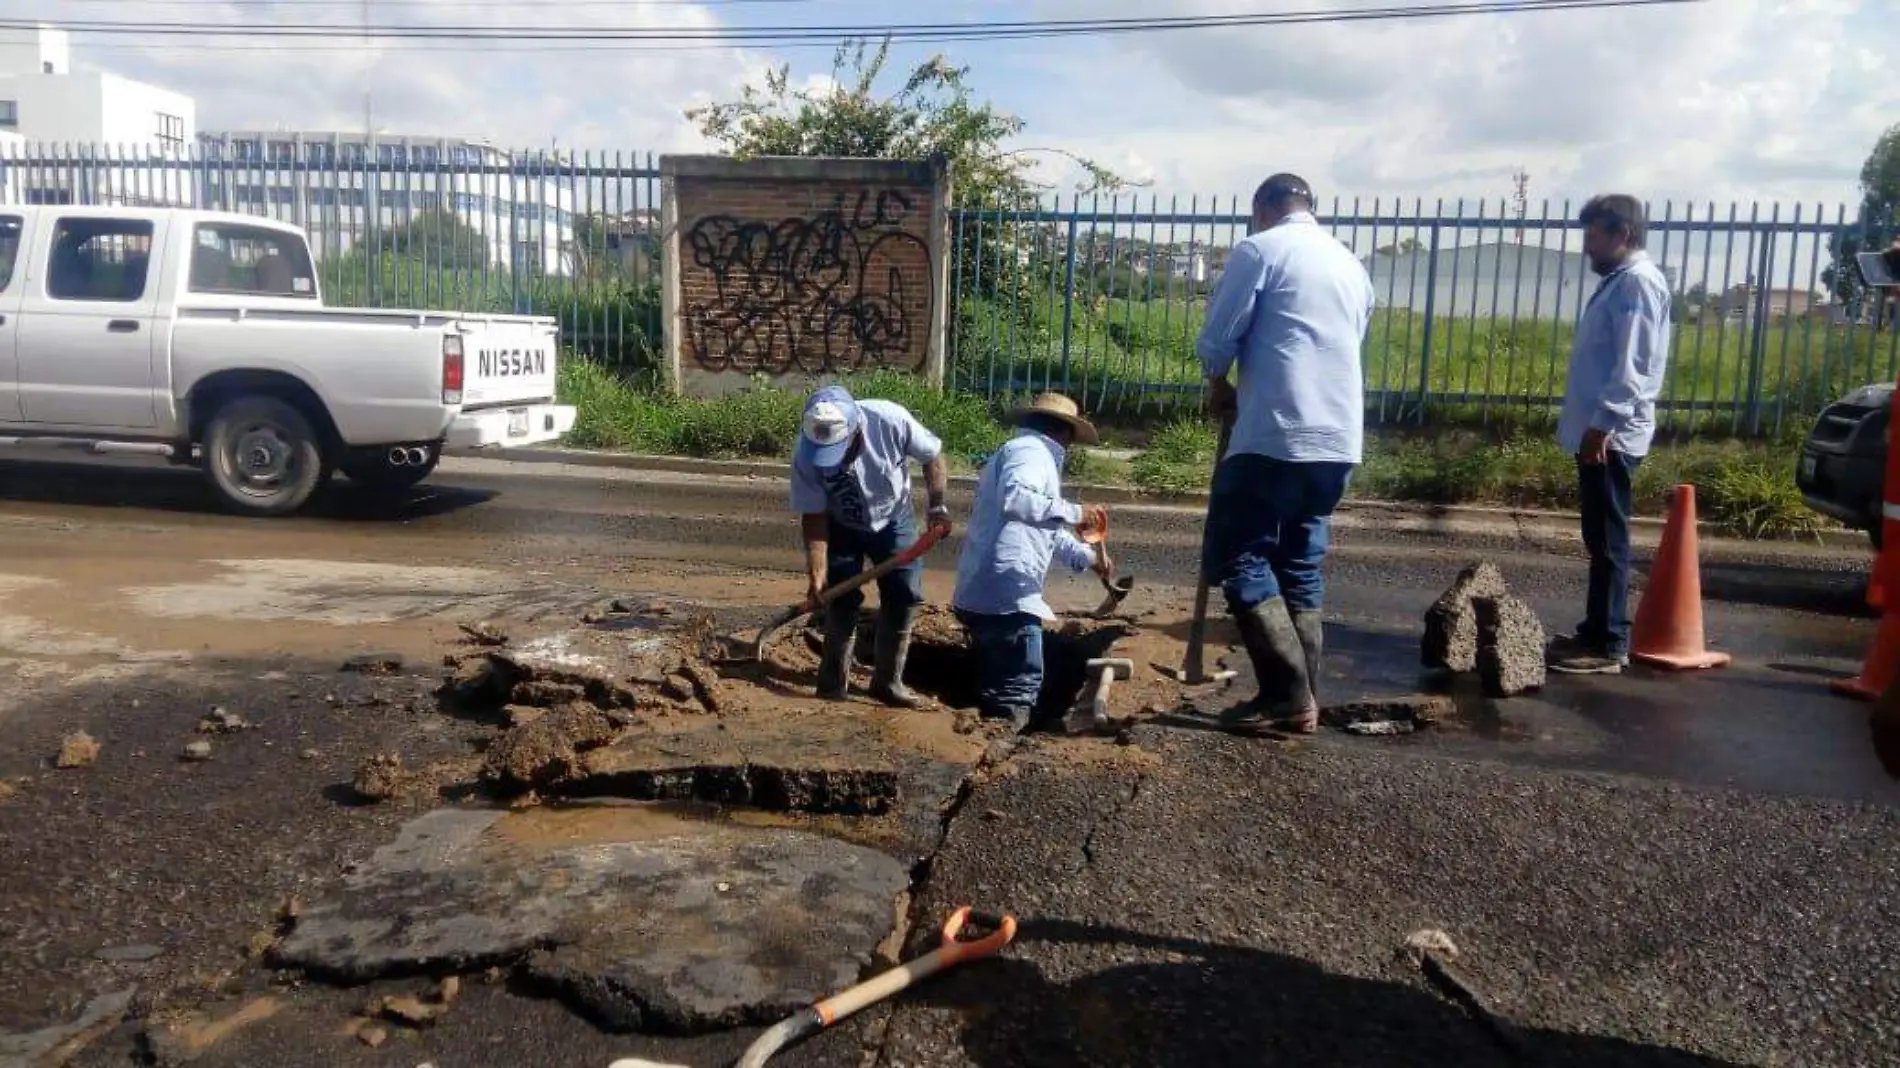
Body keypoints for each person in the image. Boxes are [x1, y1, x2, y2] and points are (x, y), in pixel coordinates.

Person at [1194, 172, 1375, 734]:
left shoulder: (1260, 250)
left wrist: (1218, 381)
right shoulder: (1350, 265)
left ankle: (1287, 697)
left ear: (1264, 208)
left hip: (1275, 433)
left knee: (1240, 555)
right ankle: (1305, 695)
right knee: (1298, 561)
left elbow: (1218, 336)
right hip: (1338, 439)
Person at [1547, 194, 1673, 674]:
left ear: (1623, 235)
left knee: (1609, 539)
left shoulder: (1638, 285)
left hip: (1611, 436)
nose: (1587, 248)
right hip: (1600, 432)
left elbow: (1634, 366)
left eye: (1594, 237)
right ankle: (1595, 629)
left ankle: (1609, 644)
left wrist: (1603, 424)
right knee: (1598, 537)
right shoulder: (1622, 282)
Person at [951, 393, 1111, 730]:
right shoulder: (1032, 454)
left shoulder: (1025, 453)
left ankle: (997, 725)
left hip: (993, 593)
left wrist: (1086, 557)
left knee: (1000, 681)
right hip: (1005, 599)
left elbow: (1042, 531)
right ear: (1065, 433)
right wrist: (1075, 512)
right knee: (1018, 688)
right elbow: (1016, 501)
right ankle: (1003, 744)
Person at [789, 385, 951, 706]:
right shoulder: (805, 454)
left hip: (893, 518)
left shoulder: (890, 419)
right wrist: (817, 573)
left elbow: (932, 455)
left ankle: (888, 683)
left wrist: (937, 506)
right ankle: (832, 684)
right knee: (839, 596)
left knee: (904, 593)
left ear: (856, 428)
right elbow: (814, 515)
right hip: (841, 524)